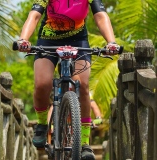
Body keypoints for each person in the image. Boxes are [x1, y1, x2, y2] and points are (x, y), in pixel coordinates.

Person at [16, 0, 120, 159]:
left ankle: (85, 143)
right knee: (42, 84)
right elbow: (35, 15)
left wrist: (111, 42)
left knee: (83, 85)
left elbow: (100, 16)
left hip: (78, 41)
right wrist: (23, 39)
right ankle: (43, 124)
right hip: (48, 40)